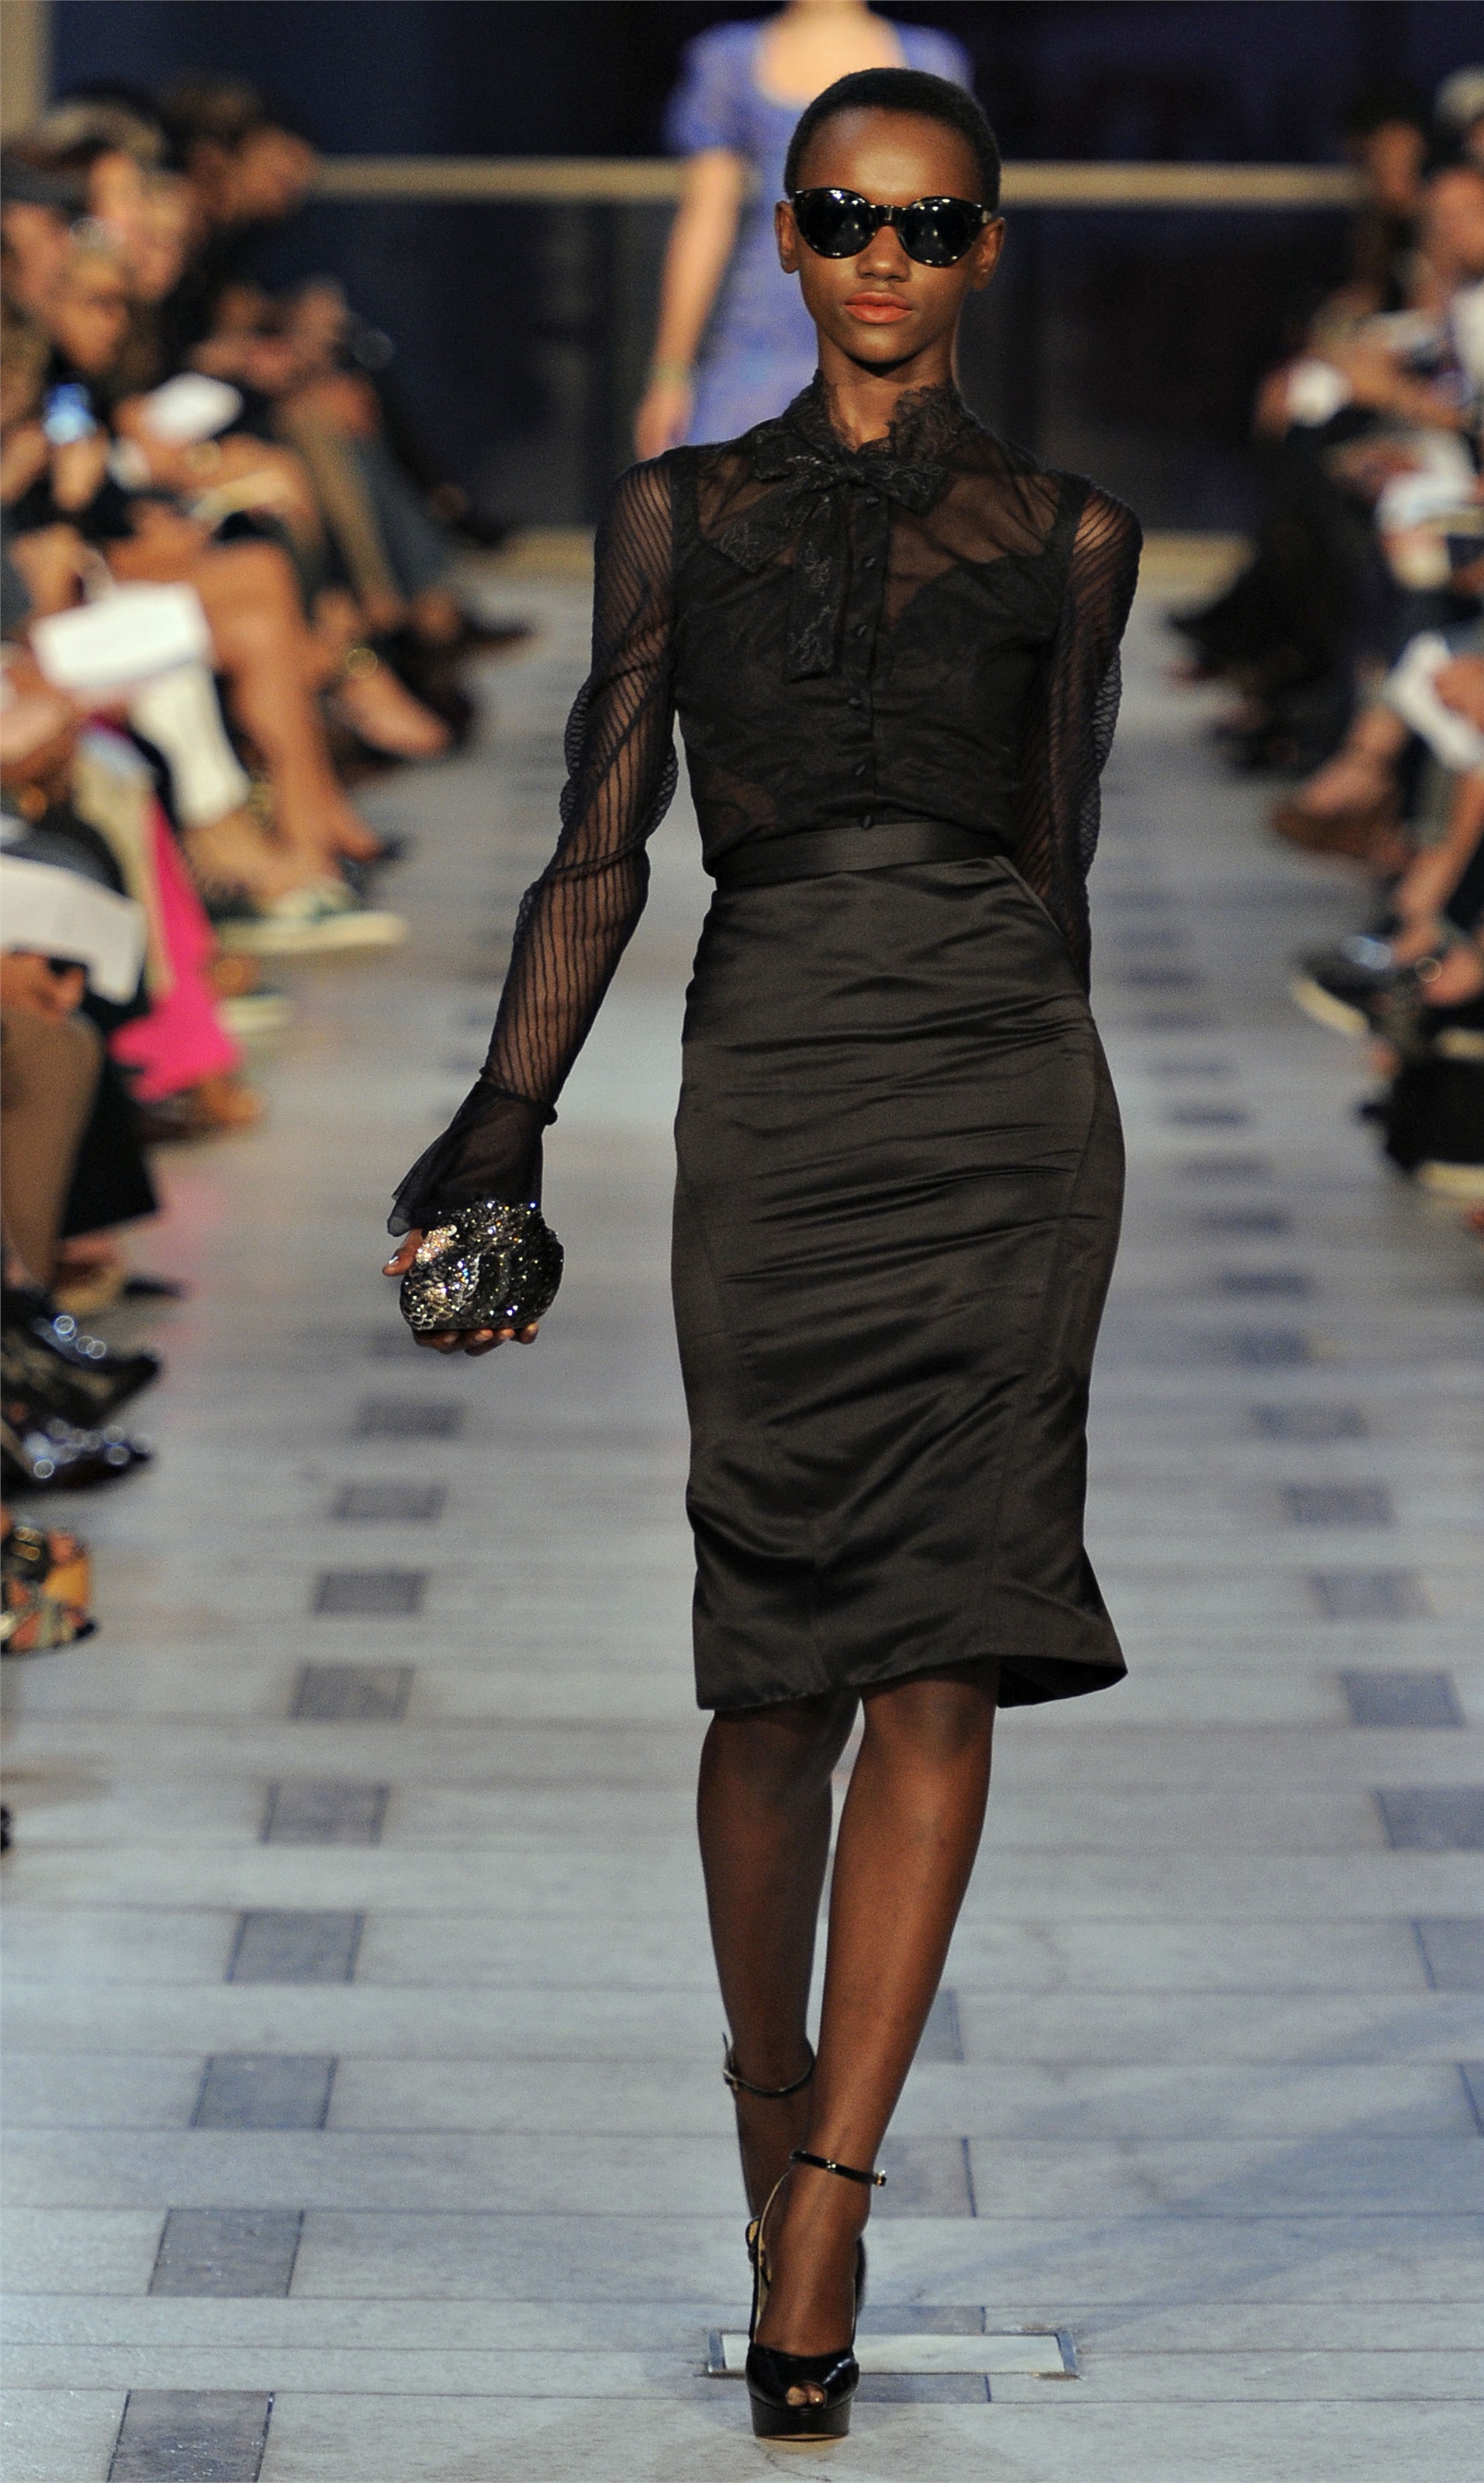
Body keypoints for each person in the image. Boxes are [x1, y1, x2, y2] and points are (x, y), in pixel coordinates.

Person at [384, 65, 1138, 2444]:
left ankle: (829, 2195)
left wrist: (1050, 1111)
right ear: (789, 243)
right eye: (844, 216)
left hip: (1000, 1095)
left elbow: (1056, 858)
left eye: (930, 224)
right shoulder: (679, 514)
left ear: (985, 248)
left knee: (944, 1648)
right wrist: (502, 1113)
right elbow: (602, 840)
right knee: (773, 1663)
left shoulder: (1071, 533)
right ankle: (765, 2099)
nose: (885, 257)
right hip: (777, 1084)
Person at [635, 0, 967, 455]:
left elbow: (938, 239)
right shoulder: (730, 57)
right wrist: (670, 373)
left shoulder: (931, 60)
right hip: (756, 345)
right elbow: (706, 220)